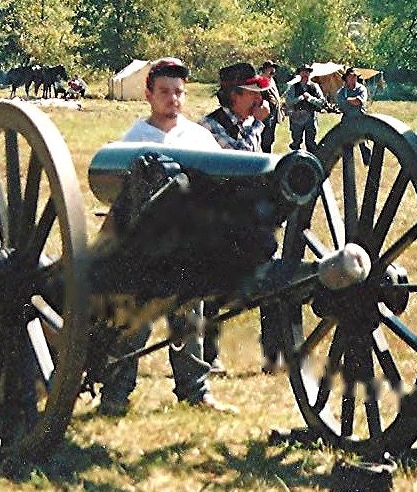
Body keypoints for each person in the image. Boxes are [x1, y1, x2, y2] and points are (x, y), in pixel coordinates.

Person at [97, 57, 237, 416]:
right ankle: (115, 394)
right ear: (148, 94)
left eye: (178, 92)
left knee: (190, 322)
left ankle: (195, 391)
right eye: (164, 92)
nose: (172, 99)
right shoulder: (134, 139)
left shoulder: (199, 138)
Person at [200, 63, 280, 372]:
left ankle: (274, 355)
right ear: (234, 95)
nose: (262, 99)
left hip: (251, 218)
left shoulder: (251, 124)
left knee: (276, 277)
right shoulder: (209, 127)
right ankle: (208, 356)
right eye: (254, 93)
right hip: (218, 220)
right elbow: (236, 164)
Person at [284, 63, 328, 153]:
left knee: (311, 143)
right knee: (296, 143)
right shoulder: (293, 87)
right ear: (300, 74)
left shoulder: (315, 86)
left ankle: (310, 164)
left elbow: (322, 102)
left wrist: (310, 99)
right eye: (303, 72)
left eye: (307, 72)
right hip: (296, 117)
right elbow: (288, 102)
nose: (305, 74)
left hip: (310, 117)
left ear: (309, 73)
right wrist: (300, 98)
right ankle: (295, 162)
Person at [258, 60, 284, 153]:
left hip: (273, 114)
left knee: (270, 138)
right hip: (264, 115)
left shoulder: (272, 81)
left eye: (273, 69)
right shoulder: (260, 82)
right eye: (270, 69)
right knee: (265, 140)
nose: (273, 71)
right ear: (265, 70)